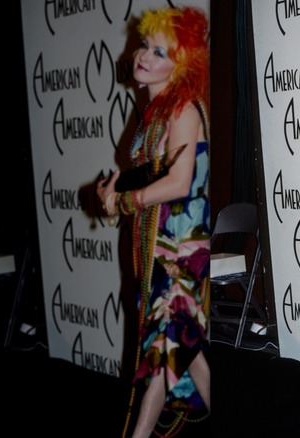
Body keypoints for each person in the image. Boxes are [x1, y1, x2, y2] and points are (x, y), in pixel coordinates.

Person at [96, 6, 210, 437]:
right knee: (178, 347)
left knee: (174, 344)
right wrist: (119, 191)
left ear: (183, 63)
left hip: (181, 250)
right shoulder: (157, 110)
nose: (144, 56)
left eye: (160, 52)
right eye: (146, 45)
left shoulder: (182, 110)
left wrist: (127, 200)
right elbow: (153, 173)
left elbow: (179, 183)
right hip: (161, 245)